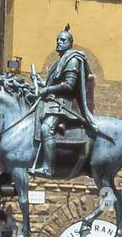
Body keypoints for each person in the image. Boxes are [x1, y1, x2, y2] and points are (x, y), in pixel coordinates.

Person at [31, 25, 97, 176]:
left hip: (64, 104)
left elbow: (68, 86)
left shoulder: (72, 60)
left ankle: (48, 167)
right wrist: (40, 82)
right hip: (53, 103)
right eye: (57, 40)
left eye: (62, 40)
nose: (59, 42)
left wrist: (47, 90)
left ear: (70, 43)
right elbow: (54, 84)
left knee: (47, 128)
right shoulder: (60, 61)